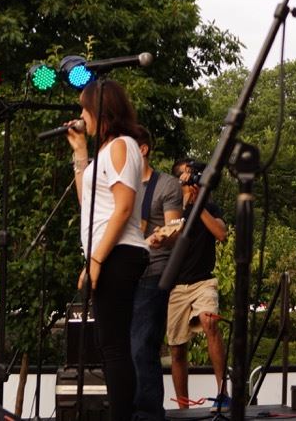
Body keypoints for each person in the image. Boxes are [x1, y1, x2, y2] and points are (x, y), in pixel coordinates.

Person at [67, 78, 150, 421]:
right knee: (110, 346)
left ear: (99, 110)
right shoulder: (104, 150)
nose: (81, 116)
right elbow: (89, 207)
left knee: (114, 347)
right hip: (108, 252)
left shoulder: (121, 145)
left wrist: (98, 258)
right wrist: (80, 153)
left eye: (84, 109)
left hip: (118, 252)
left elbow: (123, 207)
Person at [130, 126, 183, 421]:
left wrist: (167, 236)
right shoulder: (121, 185)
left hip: (154, 268)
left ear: (143, 149)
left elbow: (174, 228)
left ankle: (148, 413)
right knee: (123, 346)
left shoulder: (167, 185)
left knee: (143, 344)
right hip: (124, 272)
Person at [166, 158, 228, 410]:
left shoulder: (210, 208)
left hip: (204, 280)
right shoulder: (171, 207)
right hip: (176, 285)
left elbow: (221, 233)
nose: (192, 180)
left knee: (209, 320)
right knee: (177, 349)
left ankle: (222, 391)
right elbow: (171, 232)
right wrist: (183, 202)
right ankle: (183, 407)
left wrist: (199, 204)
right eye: (187, 176)